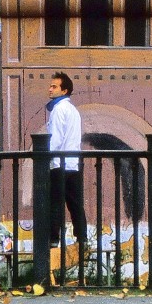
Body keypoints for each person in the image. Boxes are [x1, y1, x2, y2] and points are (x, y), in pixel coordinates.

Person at [46, 71, 87, 247]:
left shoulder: (58, 110)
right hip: (73, 163)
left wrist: (48, 160)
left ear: (64, 91)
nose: (50, 89)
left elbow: (55, 139)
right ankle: (82, 238)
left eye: (54, 86)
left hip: (59, 162)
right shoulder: (73, 110)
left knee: (54, 203)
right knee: (75, 203)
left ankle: (53, 240)